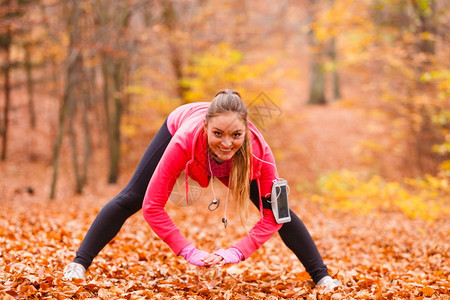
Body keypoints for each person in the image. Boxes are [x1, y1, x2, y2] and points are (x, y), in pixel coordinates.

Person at [63, 89, 342, 290]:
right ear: (206, 127)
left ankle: (322, 277)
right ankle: (79, 263)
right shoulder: (183, 140)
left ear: (246, 132)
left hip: (239, 165)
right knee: (131, 198)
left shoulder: (259, 153)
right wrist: (189, 251)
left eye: (236, 135)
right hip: (180, 127)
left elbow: (275, 216)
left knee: (282, 213)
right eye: (218, 133)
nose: (226, 143)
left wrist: (236, 251)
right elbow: (152, 206)